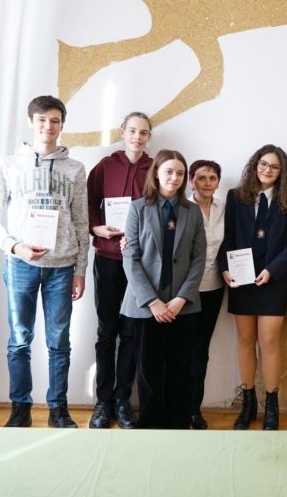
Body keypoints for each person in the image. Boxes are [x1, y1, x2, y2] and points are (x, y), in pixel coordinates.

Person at [0, 95, 88, 428]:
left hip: (62, 267)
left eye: (55, 120)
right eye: (42, 120)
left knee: (59, 342)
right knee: (19, 340)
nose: (48, 126)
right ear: (30, 122)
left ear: (62, 125)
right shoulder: (10, 165)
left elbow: (81, 222)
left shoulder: (75, 169)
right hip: (20, 265)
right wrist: (14, 247)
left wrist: (80, 270)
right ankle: (20, 408)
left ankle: (58, 409)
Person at [217, 144, 287, 430]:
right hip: (241, 279)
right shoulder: (236, 197)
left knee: (268, 341)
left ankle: (272, 404)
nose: (268, 170)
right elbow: (227, 236)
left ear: (282, 172)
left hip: (274, 280)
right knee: (245, 340)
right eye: (263, 164)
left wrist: (272, 270)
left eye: (274, 167)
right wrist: (225, 267)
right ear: (255, 165)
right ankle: (248, 402)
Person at [120, 150, 206, 429]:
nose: (174, 177)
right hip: (147, 306)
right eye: (169, 171)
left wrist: (182, 298)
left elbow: (199, 258)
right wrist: (152, 301)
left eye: (180, 173)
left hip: (182, 306)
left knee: (181, 368)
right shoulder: (137, 209)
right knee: (149, 370)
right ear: (156, 173)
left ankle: (179, 424)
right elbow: (130, 258)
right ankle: (151, 425)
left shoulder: (193, 211)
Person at [86, 112, 153, 429]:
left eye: (143, 132)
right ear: (122, 132)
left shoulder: (155, 169)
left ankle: (123, 400)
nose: (137, 137)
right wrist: (96, 227)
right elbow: (88, 203)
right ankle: (102, 401)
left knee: (132, 332)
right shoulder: (105, 166)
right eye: (132, 131)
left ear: (149, 137)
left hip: (139, 263)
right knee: (106, 331)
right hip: (107, 259)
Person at [187, 159, 226, 429]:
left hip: (214, 288)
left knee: (201, 351)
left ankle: (193, 409)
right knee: (182, 351)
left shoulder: (224, 209)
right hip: (186, 291)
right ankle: (176, 408)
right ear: (191, 181)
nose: (208, 183)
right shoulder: (183, 208)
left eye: (213, 178)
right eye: (202, 177)